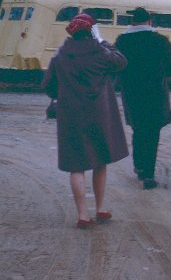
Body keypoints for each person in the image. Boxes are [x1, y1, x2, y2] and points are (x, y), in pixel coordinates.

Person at [43, 13, 129, 228]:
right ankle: (100, 209)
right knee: (100, 160)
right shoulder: (100, 52)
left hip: (71, 115)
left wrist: (64, 93)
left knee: (76, 164)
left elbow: (48, 87)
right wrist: (103, 41)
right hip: (100, 114)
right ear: (91, 31)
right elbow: (121, 62)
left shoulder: (60, 56)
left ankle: (82, 214)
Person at [115, 7, 171, 190]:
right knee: (152, 132)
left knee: (138, 129)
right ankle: (148, 174)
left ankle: (139, 165)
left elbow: (117, 66)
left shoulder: (122, 41)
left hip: (132, 92)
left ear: (133, 22)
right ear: (149, 21)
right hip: (155, 93)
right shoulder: (160, 41)